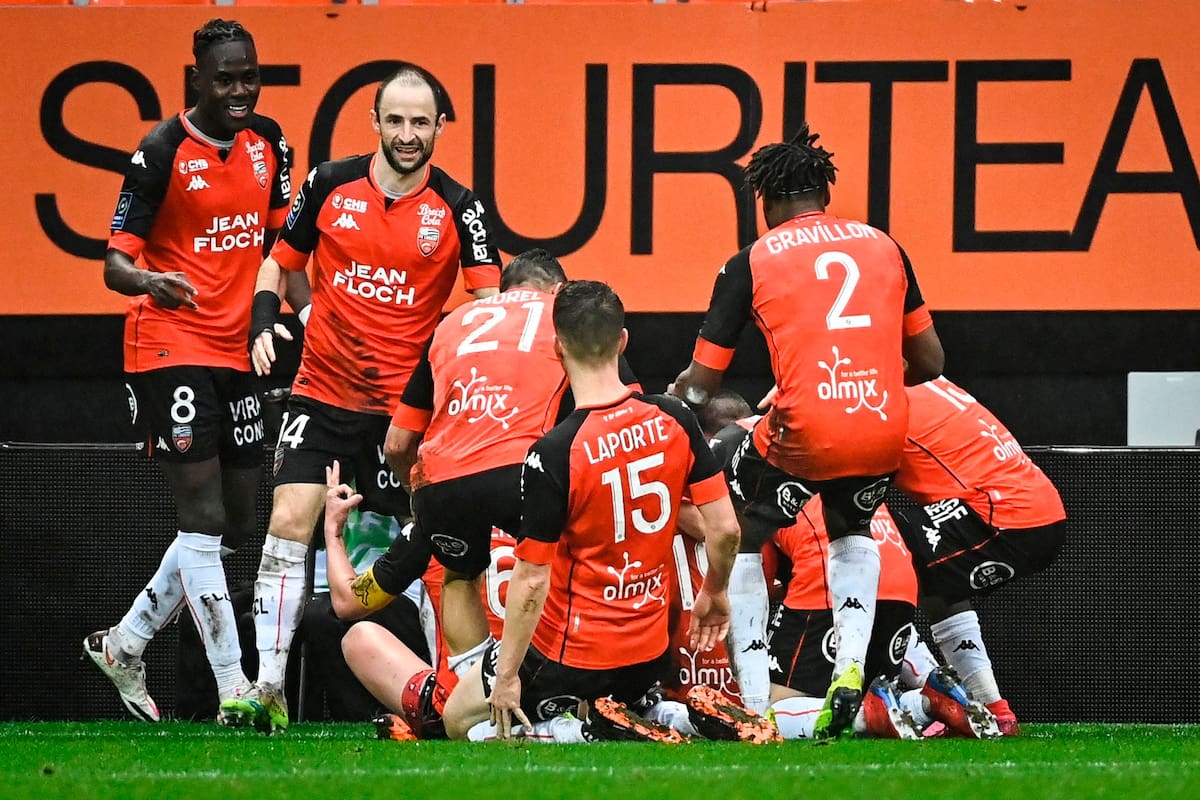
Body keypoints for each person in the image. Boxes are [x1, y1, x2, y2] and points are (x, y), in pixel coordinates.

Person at [219, 64, 502, 733]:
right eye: (395, 121)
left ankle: (452, 690)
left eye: (420, 122)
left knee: (441, 545)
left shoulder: (460, 208)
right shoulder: (327, 184)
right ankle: (266, 687)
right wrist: (266, 321)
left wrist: (456, 383)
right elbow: (278, 264)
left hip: (407, 413)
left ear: (440, 127)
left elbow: (489, 304)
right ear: (375, 122)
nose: (407, 135)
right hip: (321, 394)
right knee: (287, 522)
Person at [670, 123, 944, 738]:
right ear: (825, 191)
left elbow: (702, 384)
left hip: (804, 431)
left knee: (740, 532)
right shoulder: (885, 246)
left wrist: (668, 403)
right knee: (852, 529)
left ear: (764, 203)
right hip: (881, 426)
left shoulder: (752, 260)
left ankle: (752, 700)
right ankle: (850, 668)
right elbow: (930, 361)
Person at [84, 18, 301, 722]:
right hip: (170, 341)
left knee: (236, 524)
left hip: (242, 349)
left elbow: (281, 250)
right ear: (198, 81)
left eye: (249, 75)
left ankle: (125, 643)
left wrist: (310, 315)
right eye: (225, 78)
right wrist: (152, 282)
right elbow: (115, 264)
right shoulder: (161, 150)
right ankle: (234, 689)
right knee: (202, 517)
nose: (240, 90)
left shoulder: (272, 141)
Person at [440, 280, 744, 743]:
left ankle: (582, 732)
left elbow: (531, 581)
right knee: (627, 688)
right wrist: (715, 592)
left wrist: (506, 678)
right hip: (647, 651)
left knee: (460, 719)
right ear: (623, 341)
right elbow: (725, 531)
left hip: (573, 658)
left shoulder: (554, 452)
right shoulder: (675, 418)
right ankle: (672, 717)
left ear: (556, 348)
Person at [383, 249, 570, 669]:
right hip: (521, 471)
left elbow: (397, 443)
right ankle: (561, 689)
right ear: (557, 288)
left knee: (458, 576)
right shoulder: (562, 310)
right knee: (572, 558)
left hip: (442, 480)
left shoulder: (450, 325)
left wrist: (419, 496)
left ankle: (474, 693)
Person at [891, 375, 1068, 736]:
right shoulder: (929, 381)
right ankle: (990, 709)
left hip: (1004, 517)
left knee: (880, 554)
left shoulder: (880, 399)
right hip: (1039, 511)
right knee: (932, 580)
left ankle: (931, 696)